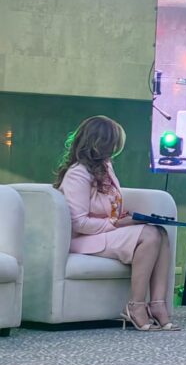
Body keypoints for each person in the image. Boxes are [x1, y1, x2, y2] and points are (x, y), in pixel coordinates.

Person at [54, 116, 179, 331]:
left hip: (104, 233)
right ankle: (135, 306)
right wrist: (117, 223)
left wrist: (125, 218)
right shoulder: (77, 173)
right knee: (149, 235)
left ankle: (158, 304)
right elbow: (78, 223)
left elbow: (109, 207)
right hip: (84, 240)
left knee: (160, 233)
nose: (115, 149)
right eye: (113, 143)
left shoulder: (106, 167)